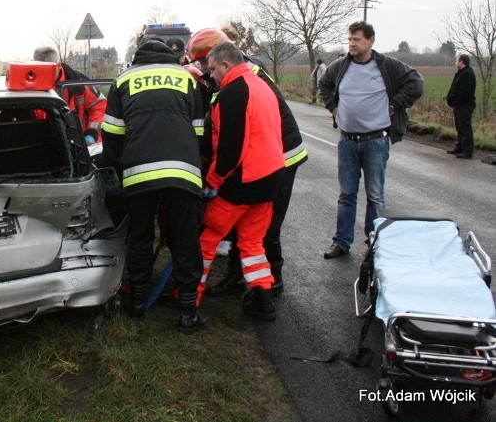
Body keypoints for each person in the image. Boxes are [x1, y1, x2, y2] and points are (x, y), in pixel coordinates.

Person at [186, 28, 308, 298]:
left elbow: (229, 136)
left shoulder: (241, 81)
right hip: (267, 158)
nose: (206, 72)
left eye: (208, 65)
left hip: (278, 157)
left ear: (221, 60)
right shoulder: (240, 75)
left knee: (266, 229)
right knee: (251, 231)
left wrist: (214, 179)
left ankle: (272, 280)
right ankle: (245, 280)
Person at [101, 40, 207, 333]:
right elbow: (199, 131)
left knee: (140, 236)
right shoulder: (187, 78)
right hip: (184, 172)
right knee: (186, 239)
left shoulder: (123, 80)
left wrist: (117, 173)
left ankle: (136, 303)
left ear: (138, 58)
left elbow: (111, 134)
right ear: (171, 56)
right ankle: (188, 312)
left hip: (137, 173)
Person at [195, 42, 285, 321]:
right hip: (270, 180)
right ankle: (263, 300)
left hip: (241, 183)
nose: (211, 76)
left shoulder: (232, 94)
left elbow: (230, 148)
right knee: (252, 242)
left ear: (225, 64)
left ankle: (189, 295)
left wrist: (213, 181)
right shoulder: (262, 85)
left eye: (212, 70)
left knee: (207, 237)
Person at [319, 21, 423, 259]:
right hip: (347, 141)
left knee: (375, 195)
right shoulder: (340, 66)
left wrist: (395, 104)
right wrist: (332, 107)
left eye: (356, 39)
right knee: (346, 194)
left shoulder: (387, 66)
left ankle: (374, 241)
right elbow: (324, 85)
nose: (352, 44)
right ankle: (342, 242)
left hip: (376, 141)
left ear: (370, 41)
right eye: (350, 39)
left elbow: (416, 83)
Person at [33, 46, 106, 144]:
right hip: (43, 143)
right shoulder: (28, 86)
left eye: (47, 71)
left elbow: (100, 105)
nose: (43, 75)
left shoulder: (79, 83)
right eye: (39, 70)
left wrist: (92, 132)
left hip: (78, 143)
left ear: (59, 66)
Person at [446, 54, 476, 159]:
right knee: (459, 127)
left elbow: (464, 92)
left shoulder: (467, 74)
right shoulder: (461, 73)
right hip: (459, 106)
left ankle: (467, 152)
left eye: (456, 61)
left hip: (465, 105)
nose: (455, 63)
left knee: (465, 128)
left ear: (462, 62)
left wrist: (457, 102)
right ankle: (460, 148)